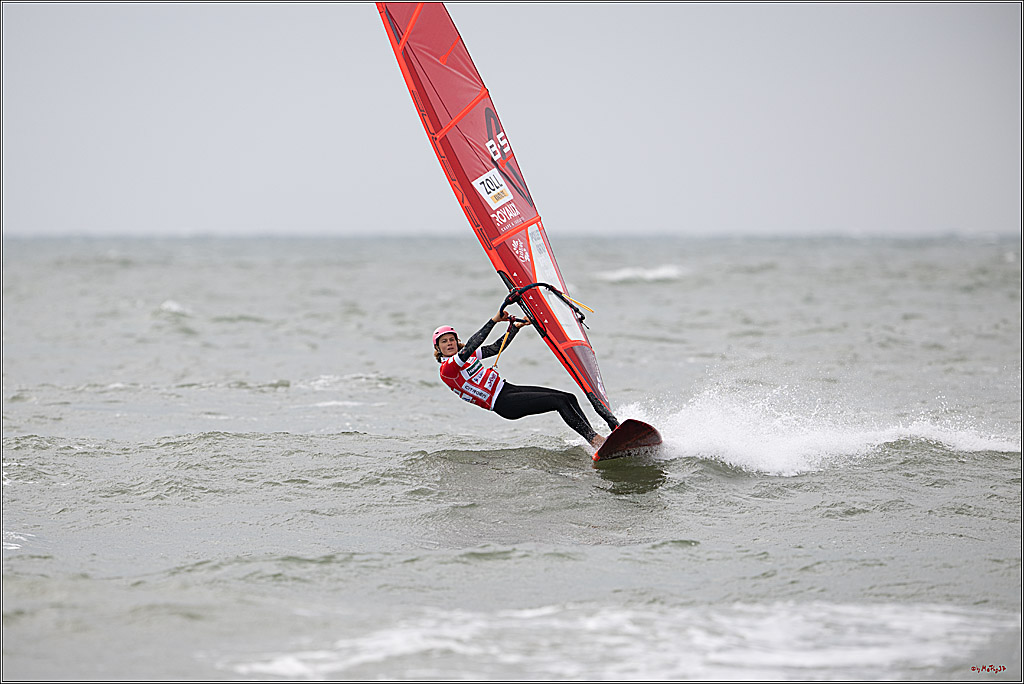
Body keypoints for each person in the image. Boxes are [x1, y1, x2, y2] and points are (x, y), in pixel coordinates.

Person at [433, 310, 606, 449]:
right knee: (559, 401)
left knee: (569, 397)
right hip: (503, 403)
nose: (449, 343)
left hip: (508, 389)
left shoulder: (467, 356)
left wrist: (515, 327)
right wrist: (494, 321)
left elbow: (495, 348)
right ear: (438, 347)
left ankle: (593, 439)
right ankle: (595, 441)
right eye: (444, 342)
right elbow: (472, 344)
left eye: (452, 340)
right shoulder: (448, 368)